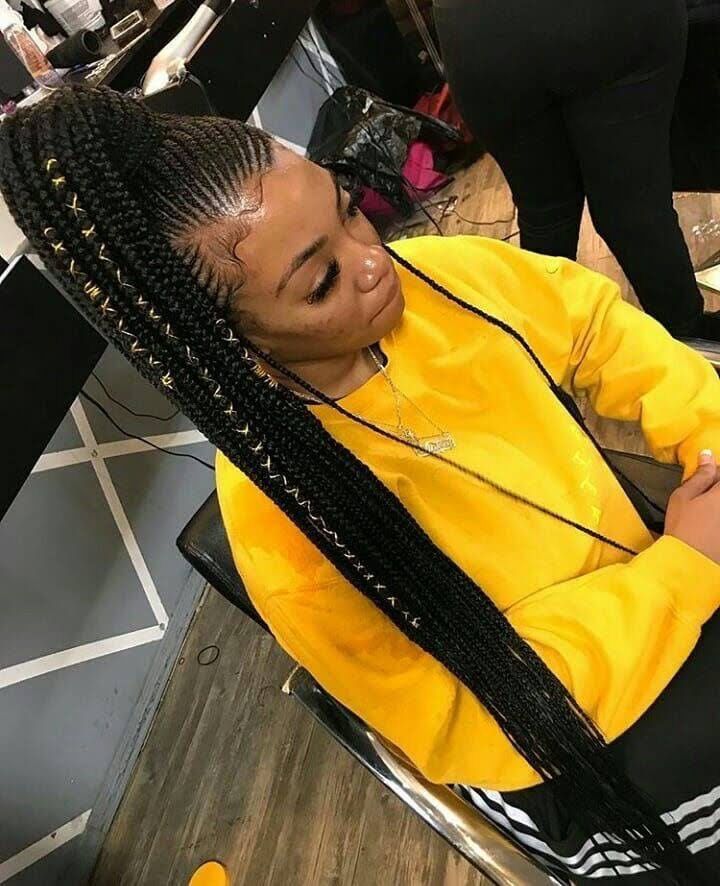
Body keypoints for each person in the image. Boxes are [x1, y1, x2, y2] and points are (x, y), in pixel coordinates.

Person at [3, 87, 720, 883]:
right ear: (227, 343)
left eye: (350, 211)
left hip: (661, 578)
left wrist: (707, 440)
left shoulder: (440, 278)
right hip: (556, 735)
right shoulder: (290, 531)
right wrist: (682, 571)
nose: (375, 259)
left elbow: (594, 329)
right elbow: (473, 722)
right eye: (320, 282)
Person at [433, 0, 720, 342]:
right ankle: (688, 336)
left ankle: (549, 353)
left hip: (481, 31)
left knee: (546, 215)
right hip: (611, 20)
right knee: (633, 207)